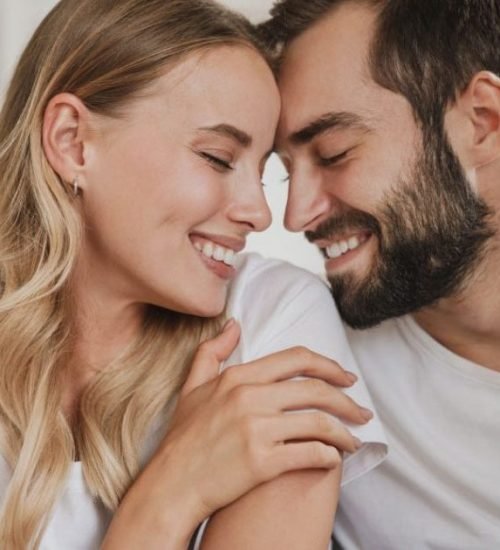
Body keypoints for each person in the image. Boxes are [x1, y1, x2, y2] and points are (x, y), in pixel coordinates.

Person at [0, 0, 387, 548]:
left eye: (262, 173)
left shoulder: (269, 315)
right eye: (217, 157)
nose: (260, 212)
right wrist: (171, 491)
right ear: (72, 142)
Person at [258, 0, 500, 548]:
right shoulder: (316, 380)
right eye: (284, 171)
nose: (296, 215)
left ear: (482, 123)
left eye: (334, 152)